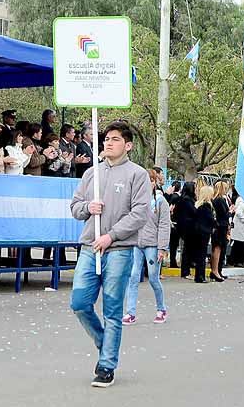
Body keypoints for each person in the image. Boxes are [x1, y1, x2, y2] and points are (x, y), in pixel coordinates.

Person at [68, 120, 151, 388]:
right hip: (90, 247)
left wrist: (111, 235)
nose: (108, 143)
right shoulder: (92, 173)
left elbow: (140, 213)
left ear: (127, 145)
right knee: (79, 303)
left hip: (119, 249)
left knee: (113, 308)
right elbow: (75, 206)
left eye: (115, 139)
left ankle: (106, 365)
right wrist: (87, 207)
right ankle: (106, 343)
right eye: (106, 139)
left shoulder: (137, 175)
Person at [124, 167, 171, 325]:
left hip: (152, 245)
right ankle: (130, 312)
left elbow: (165, 225)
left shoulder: (160, 201)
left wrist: (162, 248)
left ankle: (161, 309)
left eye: (150, 180)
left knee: (153, 278)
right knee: (133, 277)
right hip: (137, 244)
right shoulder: (136, 200)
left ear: (154, 182)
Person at [182, 186, 217, 283]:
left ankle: (199, 275)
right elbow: (210, 219)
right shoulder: (206, 206)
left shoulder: (198, 205)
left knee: (199, 255)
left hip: (198, 232)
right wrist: (216, 224)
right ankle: (200, 276)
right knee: (202, 255)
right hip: (203, 232)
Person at [209, 180, 233, 282]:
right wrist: (231, 211)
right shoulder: (219, 200)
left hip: (220, 227)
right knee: (217, 249)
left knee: (218, 249)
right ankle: (215, 271)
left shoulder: (216, 199)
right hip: (220, 227)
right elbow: (224, 215)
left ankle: (216, 270)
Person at [172, 182, 197, 272]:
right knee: (187, 248)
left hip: (183, 225)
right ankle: (186, 268)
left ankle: (186, 266)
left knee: (186, 248)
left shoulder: (181, 199)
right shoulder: (187, 200)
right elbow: (193, 212)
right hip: (188, 226)